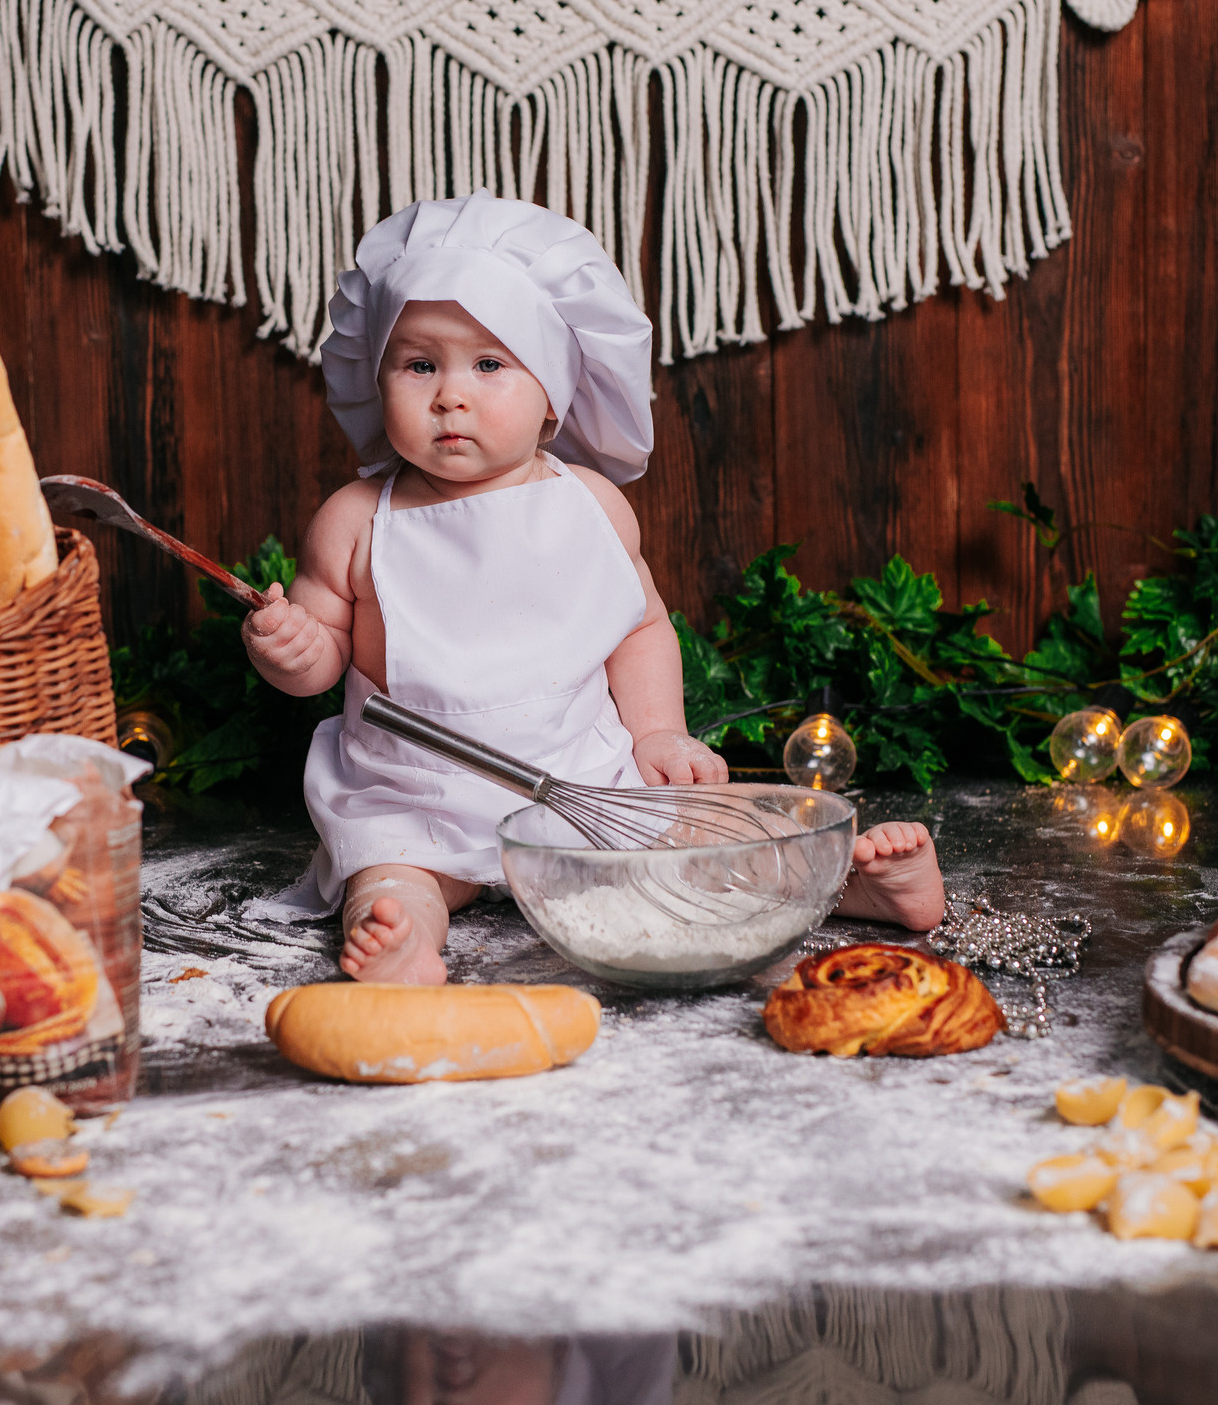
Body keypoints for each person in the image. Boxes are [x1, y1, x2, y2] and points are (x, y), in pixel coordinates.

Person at [245, 193, 943, 982]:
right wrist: (291, 648)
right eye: (418, 364)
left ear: (553, 396)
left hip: (583, 776)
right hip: (415, 792)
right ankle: (403, 935)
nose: (450, 394)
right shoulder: (354, 519)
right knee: (393, 873)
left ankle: (854, 884)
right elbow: (321, 657)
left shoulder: (590, 503)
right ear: (378, 380)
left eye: (489, 364)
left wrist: (657, 735)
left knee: (705, 843)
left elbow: (639, 628)